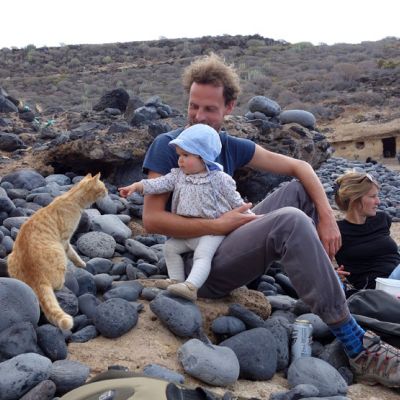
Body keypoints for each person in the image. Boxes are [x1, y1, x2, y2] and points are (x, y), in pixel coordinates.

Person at [139, 52, 400, 387]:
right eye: (193, 106)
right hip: (198, 265)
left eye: (209, 109)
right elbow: (152, 220)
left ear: (229, 107)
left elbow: (300, 167)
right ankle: (357, 346)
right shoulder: (169, 146)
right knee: (289, 220)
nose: (198, 116)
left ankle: (322, 274)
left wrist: (326, 219)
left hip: (229, 242)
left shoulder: (228, 144)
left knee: (301, 191)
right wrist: (217, 226)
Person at [119, 124, 252, 301]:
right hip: (188, 231)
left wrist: (251, 216)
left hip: (212, 232)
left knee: (202, 255)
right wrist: (137, 186)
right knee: (170, 248)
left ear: (203, 156)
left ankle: (191, 286)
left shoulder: (219, 179)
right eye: (179, 155)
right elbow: (158, 184)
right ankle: (176, 279)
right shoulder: (177, 175)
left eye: (186, 155)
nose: (180, 160)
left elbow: (236, 201)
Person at [334, 171, 400, 290]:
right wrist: (333, 274)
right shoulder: (336, 231)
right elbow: (320, 265)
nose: (378, 202)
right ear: (355, 198)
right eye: (372, 196)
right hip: (379, 288)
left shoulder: (382, 219)